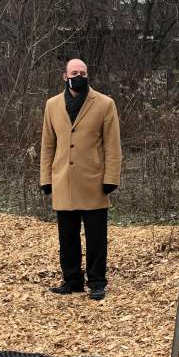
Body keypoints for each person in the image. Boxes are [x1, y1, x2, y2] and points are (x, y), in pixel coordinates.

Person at [40, 58, 122, 301]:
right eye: (74, 72)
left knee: (97, 236)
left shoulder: (105, 104)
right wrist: (46, 178)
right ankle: (72, 280)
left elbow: (113, 145)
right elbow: (47, 145)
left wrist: (111, 178)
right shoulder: (52, 105)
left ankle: (97, 282)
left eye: (83, 72)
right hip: (62, 180)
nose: (79, 76)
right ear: (65, 76)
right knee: (67, 236)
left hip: (94, 181)